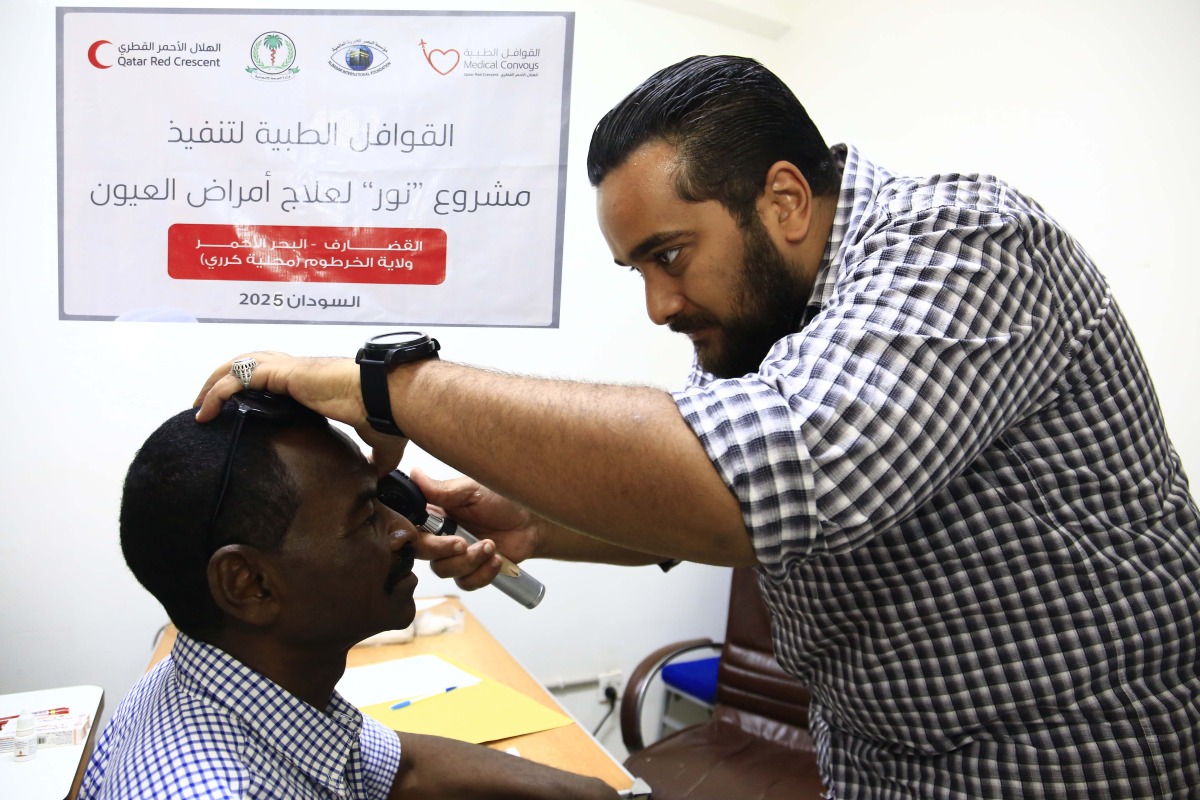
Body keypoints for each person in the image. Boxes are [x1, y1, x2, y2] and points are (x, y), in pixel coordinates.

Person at [194, 55, 1200, 797]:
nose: (659, 305)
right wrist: (534, 521)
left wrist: (386, 382)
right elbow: (726, 504)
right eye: (637, 268)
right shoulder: (766, 319)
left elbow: (768, 474)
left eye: (670, 254)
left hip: (1067, 767)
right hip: (884, 766)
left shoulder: (971, 244)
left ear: (787, 198)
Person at [80, 391, 617, 800]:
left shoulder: (223, 681)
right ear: (250, 584)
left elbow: (399, 766)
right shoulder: (215, 788)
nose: (405, 531)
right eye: (364, 515)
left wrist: (595, 794)